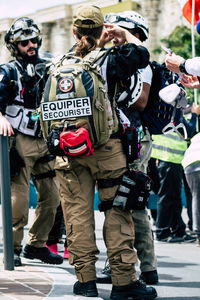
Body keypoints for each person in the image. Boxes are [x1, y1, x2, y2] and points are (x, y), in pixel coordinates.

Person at [49, 5, 157, 300]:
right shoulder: (111, 60)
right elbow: (142, 55)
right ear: (102, 31)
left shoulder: (57, 64)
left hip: (68, 151)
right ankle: (123, 282)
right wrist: (124, 35)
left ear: (74, 31)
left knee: (76, 216)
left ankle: (85, 280)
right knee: (118, 211)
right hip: (106, 149)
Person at [96, 11, 158, 285]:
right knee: (122, 202)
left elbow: (141, 101)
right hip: (121, 136)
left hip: (134, 137)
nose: (111, 33)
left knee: (130, 201)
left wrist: (109, 100)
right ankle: (142, 267)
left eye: (117, 29)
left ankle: (141, 267)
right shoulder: (116, 57)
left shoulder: (139, 62)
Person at [0, 17, 63, 266]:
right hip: (18, 141)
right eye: (24, 41)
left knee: (52, 197)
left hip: (44, 139)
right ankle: (12, 247)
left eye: (34, 40)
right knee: (19, 199)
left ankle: (36, 245)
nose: (31, 45)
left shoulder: (48, 67)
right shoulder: (7, 72)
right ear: (14, 45)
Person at [151, 103, 200, 242]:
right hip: (168, 157)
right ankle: (162, 231)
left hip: (172, 158)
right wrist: (195, 114)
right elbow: (188, 132)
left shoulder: (167, 109)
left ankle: (178, 229)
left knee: (174, 197)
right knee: (167, 196)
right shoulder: (174, 111)